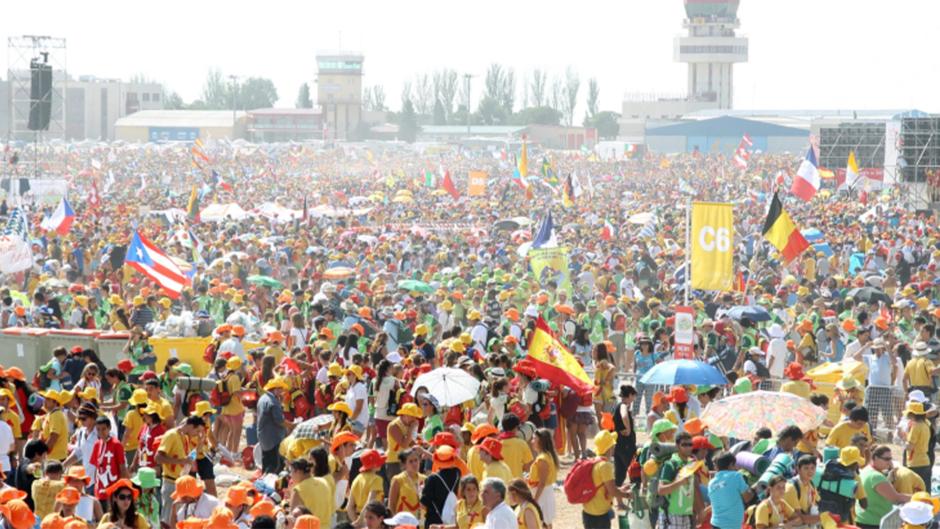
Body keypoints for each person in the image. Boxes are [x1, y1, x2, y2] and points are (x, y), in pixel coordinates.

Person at [155, 416, 206, 526]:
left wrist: (200, 443)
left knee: (177, 519)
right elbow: (158, 458)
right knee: (167, 520)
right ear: (191, 426)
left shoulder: (185, 438)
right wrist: (181, 461)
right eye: (197, 431)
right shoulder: (171, 435)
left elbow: (189, 459)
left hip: (180, 484)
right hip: (170, 483)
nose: (197, 434)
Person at [855, 445, 911, 529]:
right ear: (875, 458)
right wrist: (917, 498)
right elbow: (895, 498)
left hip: (863, 520)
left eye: (890, 459)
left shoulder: (866, 470)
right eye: (886, 459)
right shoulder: (876, 476)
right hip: (874, 523)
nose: (889, 462)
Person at [583, 430, 631, 529]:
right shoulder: (605, 466)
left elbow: (603, 488)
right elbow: (613, 491)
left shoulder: (593, 462)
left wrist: (621, 489)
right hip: (599, 515)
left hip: (587, 512)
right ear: (610, 448)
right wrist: (628, 495)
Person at [421, 445, 466, 529]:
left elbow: (423, 504)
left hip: (434, 522)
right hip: (452, 522)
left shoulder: (432, 479)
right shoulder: (457, 473)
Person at [708, 451, 754, 529]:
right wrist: (753, 490)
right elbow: (747, 498)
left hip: (715, 524)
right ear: (731, 465)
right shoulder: (736, 476)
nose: (736, 468)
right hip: (731, 525)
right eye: (734, 465)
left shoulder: (711, 483)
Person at [256, 377, 290, 474]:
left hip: (264, 436)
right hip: (273, 438)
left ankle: (265, 481)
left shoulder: (263, 398)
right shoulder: (273, 402)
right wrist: (292, 425)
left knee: (266, 461)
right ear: (276, 389)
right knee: (275, 465)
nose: (282, 392)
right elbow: (280, 421)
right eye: (280, 390)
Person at [89, 416, 127, 501]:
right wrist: (95, 485)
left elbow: (122, 468)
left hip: (113, 490)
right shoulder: (97, 444)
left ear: (109, 428)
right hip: (99, 490)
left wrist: (121, 489)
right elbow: (97, 467)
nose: (101, 432)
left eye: (103, 429)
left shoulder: (116, 444)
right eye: (98, 429)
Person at [527, 428, 557, 528]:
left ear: (541, 441)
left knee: (543, 521)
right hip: (543, 492)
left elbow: (542, 483)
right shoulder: (546, 456)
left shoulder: (542, 459)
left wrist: (535, 500)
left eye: (534, 439)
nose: (532, 441)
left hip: (542, 493)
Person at [289, 458, 333, 527]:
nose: (290, 475)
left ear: (298, 472)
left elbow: (292, 519)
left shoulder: (298, 489)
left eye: (291, 471)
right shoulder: (324, 481)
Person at [347, 449, 385, 524]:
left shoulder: (357, 479)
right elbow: (369, 503)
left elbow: (349, 506)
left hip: (359, 518)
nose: (381, 464)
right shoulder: (376, 479)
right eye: (379, 462)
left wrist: (356, 522)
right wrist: (362, 522)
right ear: (374, 464)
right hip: (373, 520)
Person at [782, 455, 821, 526]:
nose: (810, 471)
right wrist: (822, 518)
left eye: (813, 468)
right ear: (798, 469)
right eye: (806, 468)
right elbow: (799, 518)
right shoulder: (791, 488)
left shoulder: (810, 484)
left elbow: (817, 502)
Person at [387, 448, 425, 517]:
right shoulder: (398, 479)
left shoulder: (425, 478)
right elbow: (391, 505)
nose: (414, 464)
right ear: (404, 464)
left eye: (416, 460)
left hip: (422, 521)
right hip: (404, 523)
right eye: (410, 461)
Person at [613, 385, 637, 490]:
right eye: (634, 395)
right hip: (626, 444)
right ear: (630, 395)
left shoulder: (619, 405)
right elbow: (624, 416)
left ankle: (617, 500)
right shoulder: (623, 406)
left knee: (619, 474)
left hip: (618, 444)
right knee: (634, 469)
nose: (634, 398)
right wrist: (628, 429)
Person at [903, 401, 932, 487]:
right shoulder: (926, 425)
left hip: (915, 463)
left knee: (914, 490)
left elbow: (910, 446)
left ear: (912, 414)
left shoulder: (915, 426)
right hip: (925, 461)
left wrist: (904, 439)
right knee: (925, 490)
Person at [498, 414, 533, 478]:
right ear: (516, 427)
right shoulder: (522, 444)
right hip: (517, 481)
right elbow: (528, 466)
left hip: (501, 481)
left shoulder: (497, 443)